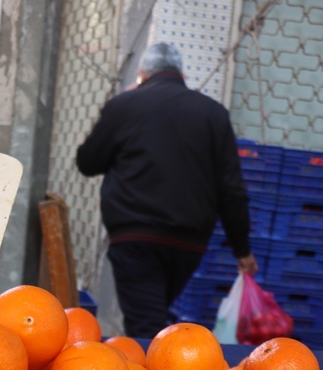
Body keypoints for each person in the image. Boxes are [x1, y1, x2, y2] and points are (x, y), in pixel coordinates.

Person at [76, 42, 257, 339]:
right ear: (182, 75)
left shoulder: (123, 106)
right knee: (152, 314)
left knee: (146, 325)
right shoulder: (213, 114)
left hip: (135, 237)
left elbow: (88, 162)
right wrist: (242, 249)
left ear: (142, 74)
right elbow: (232, 189)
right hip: (188, 243)